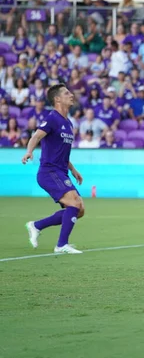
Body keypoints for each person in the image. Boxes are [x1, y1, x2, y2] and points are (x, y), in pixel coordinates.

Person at [22, 83, 84, 254]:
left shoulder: (68, 123)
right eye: (66, 93)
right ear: (57, 99)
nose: (71, 95)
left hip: (61, 171)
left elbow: (62, 151)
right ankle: (61, 245)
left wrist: (73, 169)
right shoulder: (52, 118)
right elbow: (36, 136)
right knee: (74, 203)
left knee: (79, 210)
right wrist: (29, 151)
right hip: (49, 172)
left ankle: (36, 225)